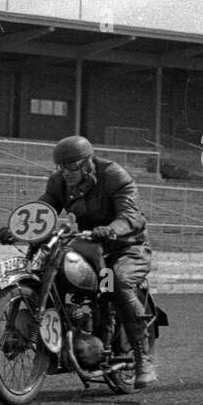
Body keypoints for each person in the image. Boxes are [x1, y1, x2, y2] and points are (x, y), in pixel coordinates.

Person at [36, 135, 157, 389]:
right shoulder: (60, 182)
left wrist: (111, 229)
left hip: (126, 248)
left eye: (71, 166)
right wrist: (17, 228)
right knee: (53, 268)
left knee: (116, 282)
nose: (65, 172)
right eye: (61, 166)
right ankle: (53, 342)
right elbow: (43, 208)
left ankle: (142, 357)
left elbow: (130, 216)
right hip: (92, 247)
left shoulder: (113, 175)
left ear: (88, 162)